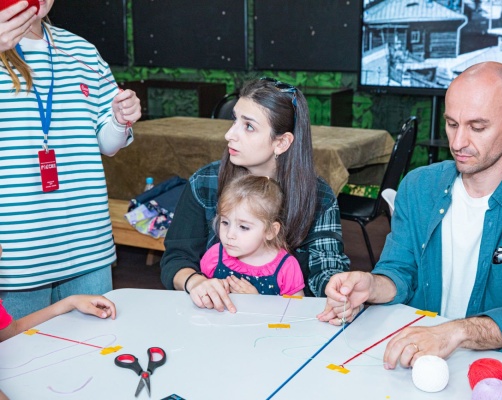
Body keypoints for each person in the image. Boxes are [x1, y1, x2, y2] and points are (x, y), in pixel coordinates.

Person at [317, 61, 502, 369]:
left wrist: (454, 333)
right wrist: (372, 285)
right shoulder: (418, 186)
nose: (457, 143)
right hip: (416, 359)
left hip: (498, 370)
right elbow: (400, 270)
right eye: (452, 124)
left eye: (477, 127)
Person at [0, 1, 141, 318]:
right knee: (19, 348)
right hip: (16, 254)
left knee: (96, 344)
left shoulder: (82, 50)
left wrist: (120, 120)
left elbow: (107, 144)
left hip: (87, 243)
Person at [160, 77, 349, 311]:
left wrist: (339, 293)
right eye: (234, 120)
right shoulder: (205, 182)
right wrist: (195, 282)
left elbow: (327, 270)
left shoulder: (319, 197)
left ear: (282, 142)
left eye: (248, 126)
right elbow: (176, 259)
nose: (229, 134)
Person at [197, 175, 304, 301]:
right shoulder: (215, 255)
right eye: (225, 222)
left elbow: (296, 308)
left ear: (270, 231)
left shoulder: (286, 267)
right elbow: (200, 291)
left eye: (243, 227)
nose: (229, 234)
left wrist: (257, 301)